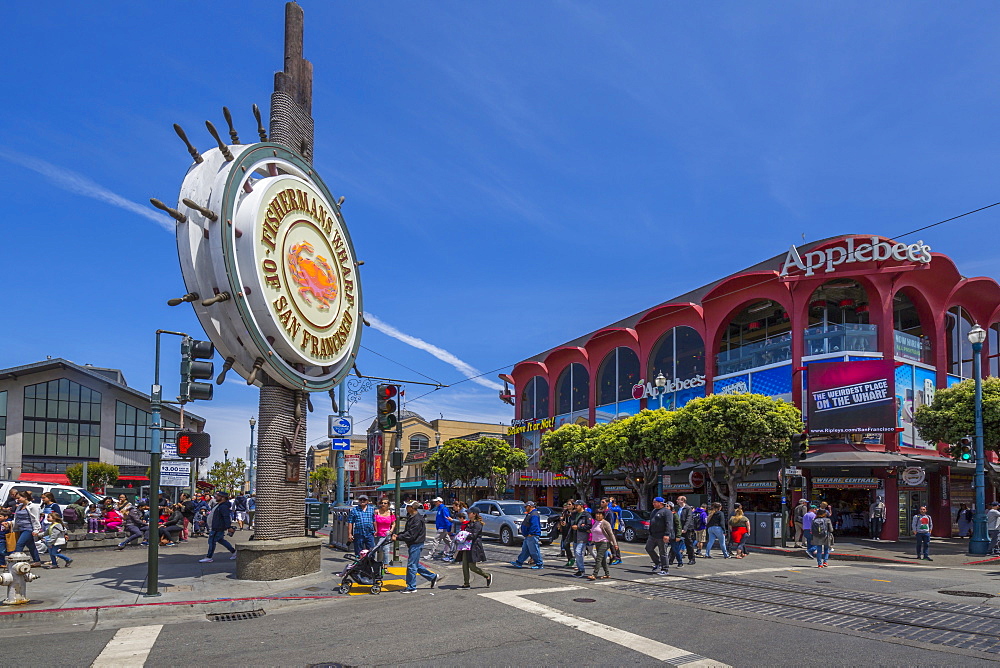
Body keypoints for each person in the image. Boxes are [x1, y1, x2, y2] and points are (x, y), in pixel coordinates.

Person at [392, 500, 440, 593]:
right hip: (413, 543)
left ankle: (411, 587)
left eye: (408, 506)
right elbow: (407, 531)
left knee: (411, 565)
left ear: (412, 508)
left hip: (416, 543)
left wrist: (398, 537)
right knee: (415, 564)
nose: (406, 508)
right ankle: (432, 577)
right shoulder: (411, 517)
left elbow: (411, 534)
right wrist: (398, 535)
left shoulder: (417, 519)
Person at [456, 508, 492, 589]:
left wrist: (463, 535)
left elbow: (474, 535)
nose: (468, 514)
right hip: (466, 546)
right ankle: (466, 584)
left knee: (472, 567)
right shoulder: (469, 523)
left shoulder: (477, 524)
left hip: (474, 547)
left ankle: (487, 575)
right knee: (464, 565)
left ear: (474, 514)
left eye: (469, 513)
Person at [199, 492, 237, 563]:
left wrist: (229, 527)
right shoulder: (218, 505)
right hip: (216, 526)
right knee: (220, 540)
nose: (216, 497)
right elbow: (212, 514)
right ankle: (234, 552)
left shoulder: (223, 506)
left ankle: (209, 557)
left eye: (218, 496)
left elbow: (226, 517)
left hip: (218, 526)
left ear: (223, 497)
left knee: (212, 541)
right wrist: (205, 520)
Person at [511, 500, 546, 570]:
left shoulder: (534, 514)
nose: (525, 508)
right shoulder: (530, 513)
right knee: (525, 550)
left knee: (534, 550)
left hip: (532, 535)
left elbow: (535, 525)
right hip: (528, 536)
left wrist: (531, 533)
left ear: (530, 506)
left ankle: (539, 564)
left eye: (526, 506)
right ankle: (519, 562)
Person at [645, 496, 674, 574]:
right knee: (648, 548)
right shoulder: (654, 511)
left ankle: (665, 569)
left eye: (655, 502)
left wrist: (667, 534)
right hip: (653, 535)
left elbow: (669, 524)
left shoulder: (667, 512)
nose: (653, 504)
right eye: (653, 502)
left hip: (662, 535)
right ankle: (658, 563)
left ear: (661, 503)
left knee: (663, 552)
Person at [587, 509, 618, 580]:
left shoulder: (605, 523)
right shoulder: (595, 522)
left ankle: (594, 574)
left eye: (600, 514)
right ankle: (607, 574)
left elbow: (611, 534)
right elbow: (593, 530)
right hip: (597, 542)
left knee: (598, 558)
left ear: (603, 515)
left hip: (604, 542)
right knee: (603, 559)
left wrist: (615, 544)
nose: (598, 515)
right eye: (597, 514)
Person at [13, 492, 42, 565]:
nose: (17, 500)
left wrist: (36, 529)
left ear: (25, 497)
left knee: (20, 544)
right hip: (20, 528)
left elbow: (35, 518)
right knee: (31, 545)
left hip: (28, 529)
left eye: (19, 498)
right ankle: (37, 560)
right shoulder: (19, 506)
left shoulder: (32, 506)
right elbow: (16, 518)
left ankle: (16, 562)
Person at [428, 497, 455, 561]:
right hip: (441, 528)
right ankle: (454, 552)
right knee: (448, 541)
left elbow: (447, 519)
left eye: (436, 502)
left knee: (436, 540)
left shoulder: (443, 508)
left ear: (440, 501)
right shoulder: (439, 508)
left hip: (443, 528)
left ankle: (431, 554)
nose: (435, 503)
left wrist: (449, 529)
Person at [374, 498, 395, 574]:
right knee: (377, 550)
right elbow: (373, 522)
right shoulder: (377, 512)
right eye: (382, 503)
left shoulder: (391, 513)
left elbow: (393, 523)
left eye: (385, 503)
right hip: (377, 534)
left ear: (388, 505)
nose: (383, 504)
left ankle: (385, 566)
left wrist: (391, 530)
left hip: (386, 534)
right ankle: (377, 564)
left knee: (386, 551)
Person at [676, 496, 697, 565]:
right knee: (675, 542)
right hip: (679, 528)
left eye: (678, 499)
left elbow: (689, 519)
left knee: (688, 544)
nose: (677, 501)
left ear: (682, 500)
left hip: (686, 529)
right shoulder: (679, 508)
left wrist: (685, 528)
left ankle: (692, 559)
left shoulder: (687, 508)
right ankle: (670, 559)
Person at [559, 501, 575, 567]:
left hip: (572, 530)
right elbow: (562, 519)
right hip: (565, 530)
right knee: (565, 545)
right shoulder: (565, 512)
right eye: (567, 504)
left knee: (577, 547)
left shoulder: (575, 513)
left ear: (573, 505)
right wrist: (561, 522)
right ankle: (570, 559)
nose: (568, 505)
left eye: (569, 504)